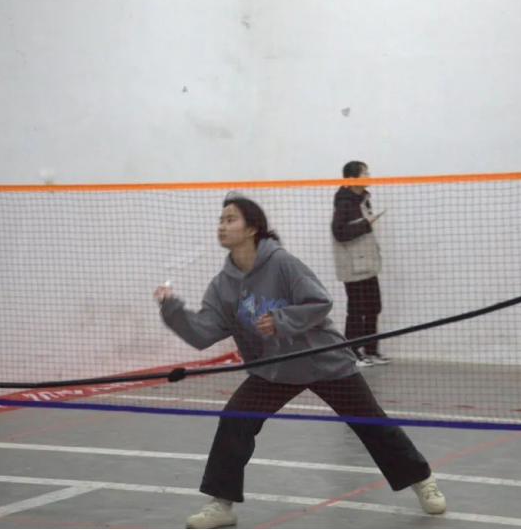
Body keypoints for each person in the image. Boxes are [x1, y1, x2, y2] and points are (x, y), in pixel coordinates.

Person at [154, 195, 446, 529]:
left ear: (252, 228)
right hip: (274, 368)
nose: (222, 226)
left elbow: (320, 301)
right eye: (220, 220)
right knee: (235, 421)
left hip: (322, 360)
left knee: (371, 424)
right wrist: (172, 309)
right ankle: (221, 504)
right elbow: (203, 333)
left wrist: (281, 320)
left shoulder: (282, 263)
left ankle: (422, 480)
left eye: (230, 219)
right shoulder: (222, 286)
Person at [331, 160, 391, 368]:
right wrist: (366, 224)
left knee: (374, 306)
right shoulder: (344, 203)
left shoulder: (363, 200)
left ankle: (371, 351)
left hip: (367, 264)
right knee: (357, 309)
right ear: (353, 178)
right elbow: (339, 233)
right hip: (353, 266)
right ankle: (352, 352)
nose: (369, 176)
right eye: (365, 173)